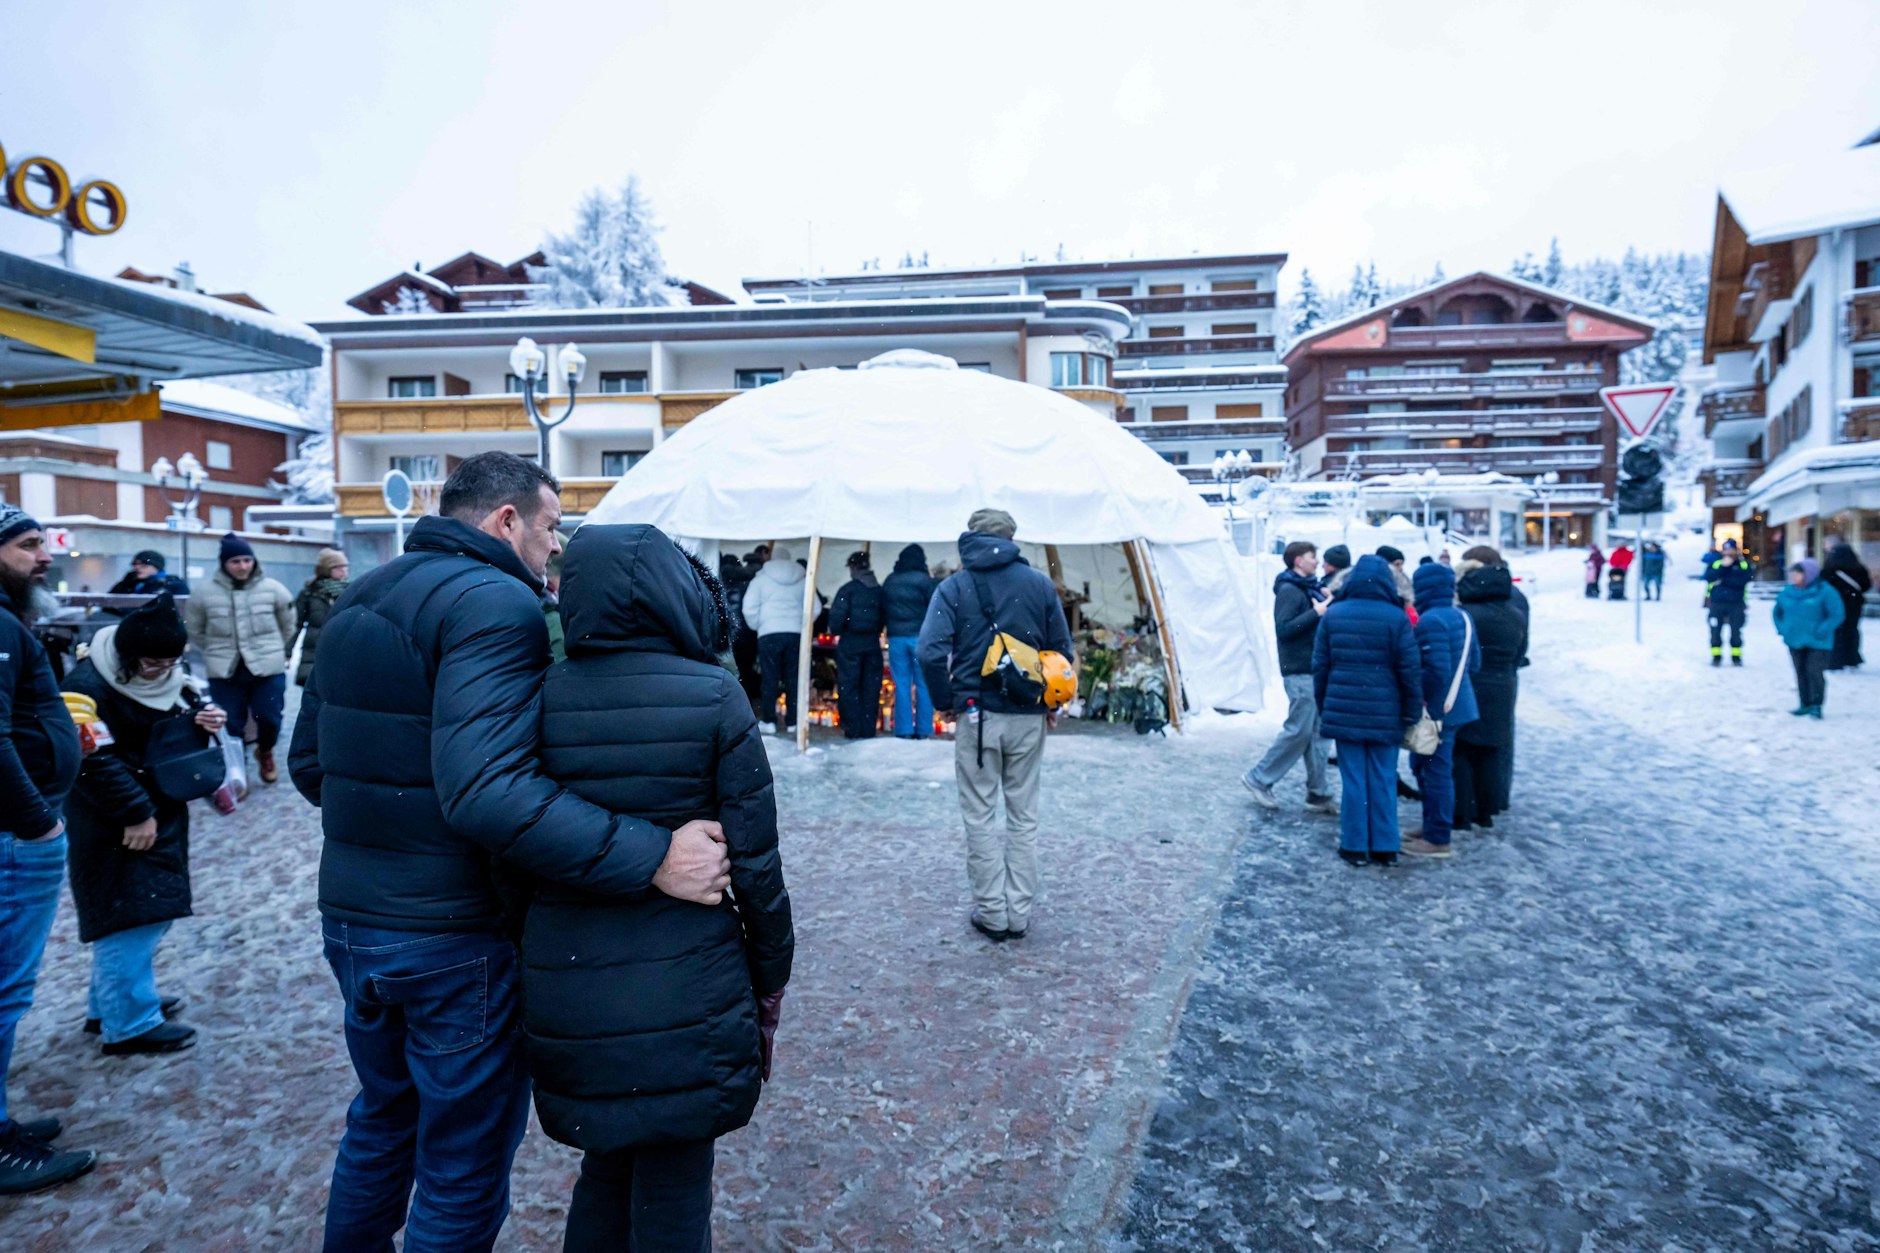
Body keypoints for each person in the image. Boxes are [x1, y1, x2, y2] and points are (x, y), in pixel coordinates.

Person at [288, 452, 732, 1253]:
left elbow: (311, 767)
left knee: (383, 1121)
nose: (554, 548)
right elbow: (487, 790)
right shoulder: (498, 604)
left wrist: (394, 834)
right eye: (551, 527)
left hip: (353, 921)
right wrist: (654, 855)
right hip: (454, 933)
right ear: (506, 520)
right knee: (462, 1160)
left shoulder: (361, 595)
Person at [526, 524, 794, 1252]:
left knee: (605, 1168)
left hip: (571, 975)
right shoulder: (714, 694)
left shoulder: (538, 694)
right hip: (692, 980)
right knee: (676, 1182)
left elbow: (513, 842)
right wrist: (771, 978)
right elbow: (757, 864)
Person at [60, 594, 223, 1056]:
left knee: (139, 913)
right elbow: (94, 761)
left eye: (172, 662)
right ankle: (129, 1021)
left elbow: (157, 729)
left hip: (150, 812)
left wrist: (200, 721)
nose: (163, 671)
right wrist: (136, 813)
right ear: (129, 655)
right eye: (153, 662)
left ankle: (108, 1005)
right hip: (115, 820)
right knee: (129, 917)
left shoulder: (166, 677)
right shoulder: (85, 685)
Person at [918, 508, 1073, 941]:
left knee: (980, 815)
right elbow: (1061, 651)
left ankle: (992, 913)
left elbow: (930, 651)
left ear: (971, 537)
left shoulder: (954, 586)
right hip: (1028, 715)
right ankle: (1019, 913)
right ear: (1011, 538)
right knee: (1024, 817)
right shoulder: (1040, 584)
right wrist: (1052, 704)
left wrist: (946, 702)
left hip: (976, 715)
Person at [0, 505, 93, 1195]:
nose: (44, 555)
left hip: (19, 829)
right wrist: (39, 822)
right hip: (15, 836)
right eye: (29, 544)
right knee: (4, 991)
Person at [1313, 555, 1420, 866]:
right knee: (1384, 778)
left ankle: (1355, 845)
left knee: (1354, 780)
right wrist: (1411, 711)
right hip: (1387, 711)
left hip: (1345, 711)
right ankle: (1386, 846)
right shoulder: (1397, 617)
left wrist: (1325, 705)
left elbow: (1320, 667)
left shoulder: (1334, 615)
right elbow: (1410, 671)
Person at [184, 534, 293, 784]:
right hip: (225, 670)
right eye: (236, 561)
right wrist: (215, 651)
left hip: (267, 667)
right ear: (224, 564)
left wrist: (277, 650)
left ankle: (265, 751)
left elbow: (288, 624)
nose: (243, 566)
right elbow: (195, 631)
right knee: (231, 723)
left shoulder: (273, 589)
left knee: (270, 717)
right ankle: (237, 767)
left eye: (247, 560)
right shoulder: (203, 594)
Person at [1242, 541, 1335, 815]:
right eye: (1311, 556)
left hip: (1314, 670)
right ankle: (1258, 778)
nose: (1316, 561)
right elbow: (1284, 629)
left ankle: (1318, 793)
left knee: (1318, 732)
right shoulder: (1289, 591)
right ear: (1297, 560)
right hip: (1299, 670)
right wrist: (1316, 613)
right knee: (1299, 729)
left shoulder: (1309, 589)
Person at [1402, 562, 1480, 859]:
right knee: (1427, 767)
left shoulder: (1431, 621)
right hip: (1459, 706)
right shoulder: (1463, 616)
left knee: (1434, 770)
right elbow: (1474, 664)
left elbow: (1435, 671)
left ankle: (1437, 837)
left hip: (1439, 710)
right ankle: (1432, 824)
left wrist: (1421, 702)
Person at [1452, 551, 1528, 833]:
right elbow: (1521, 652)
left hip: (1471, 685)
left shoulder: (1466, 615)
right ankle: (1487, 809)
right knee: (1491, 749)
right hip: (1503, 685)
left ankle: (1463, 809)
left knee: (1463, 748)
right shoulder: (1515, 613)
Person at [739, 544, 809, 735]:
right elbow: (815, 607)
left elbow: (748, 608)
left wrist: (758, 626)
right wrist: (801, 624)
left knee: (769, 677)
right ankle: (793, 721)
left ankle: (769, 720)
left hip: (769, 633)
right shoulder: (803, 579)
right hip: (795, 634)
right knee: (793, 678)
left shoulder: (761, 579)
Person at [1774, 558, 1845, 719]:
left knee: (1814, 671)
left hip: (1818, 641)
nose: (1794, 577)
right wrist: (1783, 629)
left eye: (1798, 573)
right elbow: (1777, 612)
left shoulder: (1826, 591)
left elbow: (1837, 614)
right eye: (1792, 574)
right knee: (1800, 671)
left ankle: (1816, 704)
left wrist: (1823, 629)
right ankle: (1804, 703)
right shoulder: (1788, 592)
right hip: (1794, 639)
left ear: (1809, 574)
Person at [882, 544, 939, 739]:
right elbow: (935, 608)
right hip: (920, 638)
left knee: (901, 684)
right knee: (924, 684)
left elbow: (883, 607)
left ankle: (904, 729)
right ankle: (924, 729)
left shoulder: (890, 580)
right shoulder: (925, 581)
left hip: (896, 637)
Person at [829, 550, 885, 739]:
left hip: (850, 644)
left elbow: (835, 621)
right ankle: (868, 729)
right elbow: (884, 617)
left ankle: (852, 729)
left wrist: (840, 630)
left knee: (849, 686)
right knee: (871, 688)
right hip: (872, 645)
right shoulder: (878, 590)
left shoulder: (848, 590)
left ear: (853, 567)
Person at [291, 549, 350, 687]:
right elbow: (295, 623)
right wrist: (287, 652)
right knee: (313, 696)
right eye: (338, 567)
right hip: (314, 653)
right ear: (326, 569)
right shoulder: (309, 593)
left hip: (343, 650)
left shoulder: (352, 590)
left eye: (345, 566)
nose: (344, 570)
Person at [1822, 540, 1871, 670]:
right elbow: (1866, 586)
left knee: (1837, 631)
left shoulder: (1829, 568)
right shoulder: (1859, 568)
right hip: (1854, 604)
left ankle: (1836, 659)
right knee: (1852, 630)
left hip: (1834, 604)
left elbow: (1823, 586)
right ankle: (1852, 658)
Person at [1706, 539, 1755, 667]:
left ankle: (1736, 657)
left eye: (1731, 550)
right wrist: (1724, 568)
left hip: (1736, 603)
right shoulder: (1717, 564)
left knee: (1736, 631)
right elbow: (1709, 577)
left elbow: (1743, 581)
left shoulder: (1743, 565)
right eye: (1726, 549)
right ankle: (1716, 656)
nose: (1728, 552)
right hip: (1717, 603)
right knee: (1715, 631)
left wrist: (1722, 581)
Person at [107, 550, 189, 598]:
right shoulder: (130, 583)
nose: (137, 568)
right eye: (135, 565)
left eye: (143, 565)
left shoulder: (173, 584)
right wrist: (125, 583)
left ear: (156, 567)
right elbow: (109, 602)